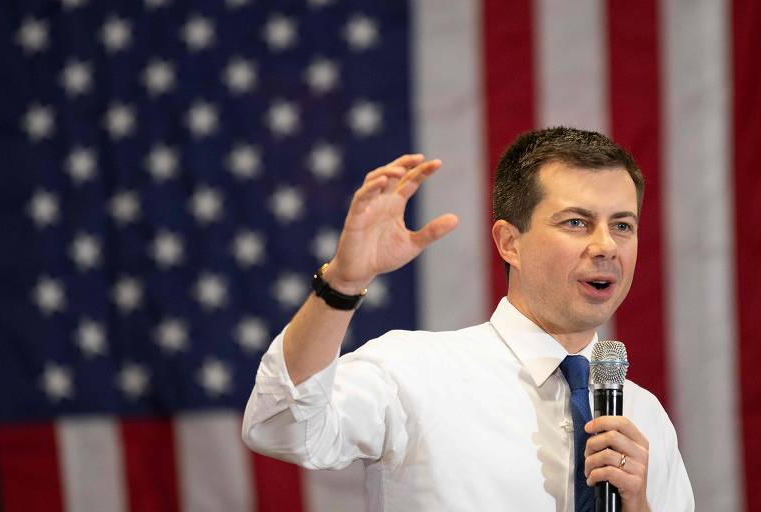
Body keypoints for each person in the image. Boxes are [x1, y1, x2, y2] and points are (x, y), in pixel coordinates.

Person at [242, 127, 694, 511]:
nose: (606, 247)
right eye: (576, 222)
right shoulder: (413, 372)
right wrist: (341, 283)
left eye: (623, 225)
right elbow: (282, 425)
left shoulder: (643, 415)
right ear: (509, 243)